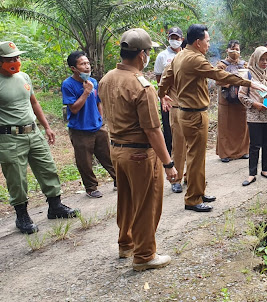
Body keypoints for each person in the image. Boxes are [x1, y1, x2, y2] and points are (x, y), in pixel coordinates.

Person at [159, 24, 263, 212]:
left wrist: (162, 94)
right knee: (196, 157)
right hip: (195, 114)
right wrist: (249, 83)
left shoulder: (180, 55)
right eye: (207, 41)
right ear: (198, 42)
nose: (209, 44)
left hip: (185, 112)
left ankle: (198, 190)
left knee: (195, 155)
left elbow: (166, 77)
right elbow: (220, 74)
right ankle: (192, 199)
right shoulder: (195, 59)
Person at [99, 28, 177, 271]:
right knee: (146, 203)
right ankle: (144, 256)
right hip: (140, 154)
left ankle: (126, 243)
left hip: (117, 150)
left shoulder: (106, 79)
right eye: (147, 53)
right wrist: (168, 164)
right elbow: (153, 130)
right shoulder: (142, 86)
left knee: (126, 200)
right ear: (142, 55)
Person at [0, 41, 79, 234]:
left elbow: (34, 103)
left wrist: (47, 127)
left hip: (33, 132)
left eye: (17, 57)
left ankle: (55, 206)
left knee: (47, 168)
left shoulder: (23, 77)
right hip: (10, 137)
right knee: (16, 177)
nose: (15, 61)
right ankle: (22, 216)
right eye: (10, 59)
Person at [62, 51, 116, 198]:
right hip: (80, 130)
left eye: (87, 63)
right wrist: (86, 92)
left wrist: (100, 119)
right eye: (82, 64)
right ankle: (91, 187)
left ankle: (118, 179)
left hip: (97, 127)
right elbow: (73, 108)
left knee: (108, 155)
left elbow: (99, 102)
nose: (87, 67)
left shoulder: (94, 82)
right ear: (74, 68)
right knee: (84, 161)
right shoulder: (68, 85)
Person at [238, 47, 267, 186]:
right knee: (255, 145)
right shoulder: (249, 75)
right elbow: (241, 95)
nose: (265, 62)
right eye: (262, 59)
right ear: (256, 59)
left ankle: (265, 169)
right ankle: (252, 174)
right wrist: (254, 104)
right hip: (255, 116)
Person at [155, 27, 186, 193]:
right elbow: (161, 81)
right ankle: (176, 179)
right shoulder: (163, 57)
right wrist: (163, 97)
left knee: (191, 144)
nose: (174, 39)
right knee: (176, 141)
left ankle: (190, 176)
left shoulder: (187, 55)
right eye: (171, 37)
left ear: (182, 39)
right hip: (172, 104)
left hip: (191, 107)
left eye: (176, 37)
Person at [215, 40, 250, 163]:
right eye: (233, 49)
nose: (235, 52)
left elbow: (249, 78)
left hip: (240, 99)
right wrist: (231, 82)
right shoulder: (221, 65)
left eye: (237, 49)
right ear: (227, 50)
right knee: (225, 126)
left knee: (242, 125)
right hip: (226, 100)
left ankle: (243, 151)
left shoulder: (244, 64)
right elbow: (217, 80)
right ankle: (225, 153)